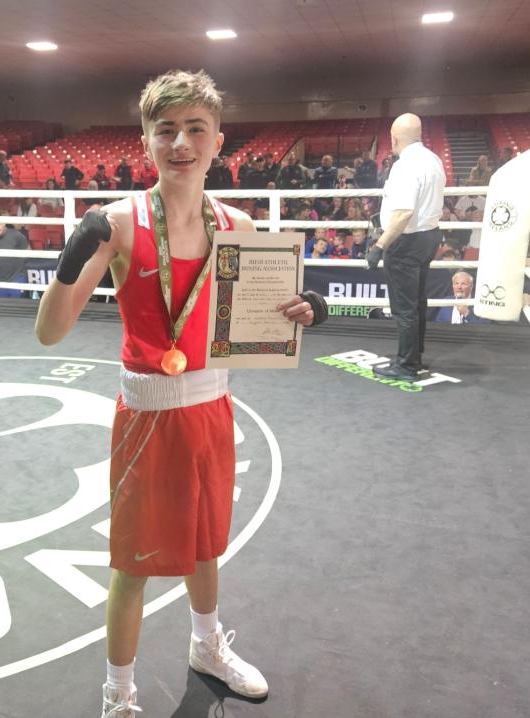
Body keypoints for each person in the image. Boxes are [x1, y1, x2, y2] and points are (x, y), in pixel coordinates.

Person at [33, 69, 326, 718]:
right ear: (146, 141)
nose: (181, 142)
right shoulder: (119, 223)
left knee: (205, 545)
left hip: (212, 407)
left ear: (218, 142)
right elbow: (49, 332)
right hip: (147, 415)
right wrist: (72, 257)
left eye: (196, 129)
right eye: (166, 130)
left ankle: (206, 647)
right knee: (133, 564)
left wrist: (305, 309)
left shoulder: (237, 224)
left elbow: (262, 321)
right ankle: (118, 695)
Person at [366, 112, 445, 381]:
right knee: (417, 302)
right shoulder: (433, 159)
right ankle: (414, 357)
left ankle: (406, 365)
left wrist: (379, 246)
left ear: (394, 138)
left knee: (404, 307)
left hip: (407, 242)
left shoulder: (405, 166)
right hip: (429, 236)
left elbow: (403, 214)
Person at [0, 211, 30, 297]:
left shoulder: (16, 235)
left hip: (17, 278)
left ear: (4, 223)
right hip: (1, 280)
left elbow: (27, 252)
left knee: (18, 304)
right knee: (3, 304)